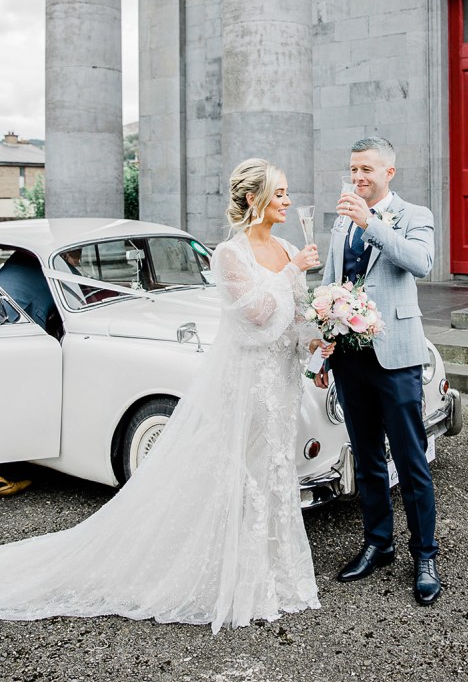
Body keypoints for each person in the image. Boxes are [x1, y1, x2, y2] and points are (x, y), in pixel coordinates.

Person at [0, 159, 326, 632]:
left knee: (272, 469)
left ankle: (270, 575)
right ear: (255, 200)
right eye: (279, 194)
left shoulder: (287, 246)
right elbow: (255, 314)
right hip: (247, 379)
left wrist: (318, 336)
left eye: (287, 193)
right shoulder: (229, 256)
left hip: (279, 380)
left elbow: (291, 316)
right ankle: (224, 575)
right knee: (233, 472)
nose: (288, 201)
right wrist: (291, 270)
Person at [318, 137, 441, 606]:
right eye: (353, 169)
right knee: (367, 458)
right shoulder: (340, 220)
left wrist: (370, 223)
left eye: (366, 169)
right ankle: (378, 543)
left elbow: (421, 263)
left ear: (389, 171)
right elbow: (334, 282)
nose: (357, 177)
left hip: (396, 358)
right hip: (351, 358)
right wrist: (324, 352)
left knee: (411, 462)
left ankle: (425, 554)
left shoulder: (415, 215)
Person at [0, 249, 57, 330]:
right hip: (15, 313)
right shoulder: (60, 269)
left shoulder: (21, 254)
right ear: (67, 256)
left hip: (10, 304)